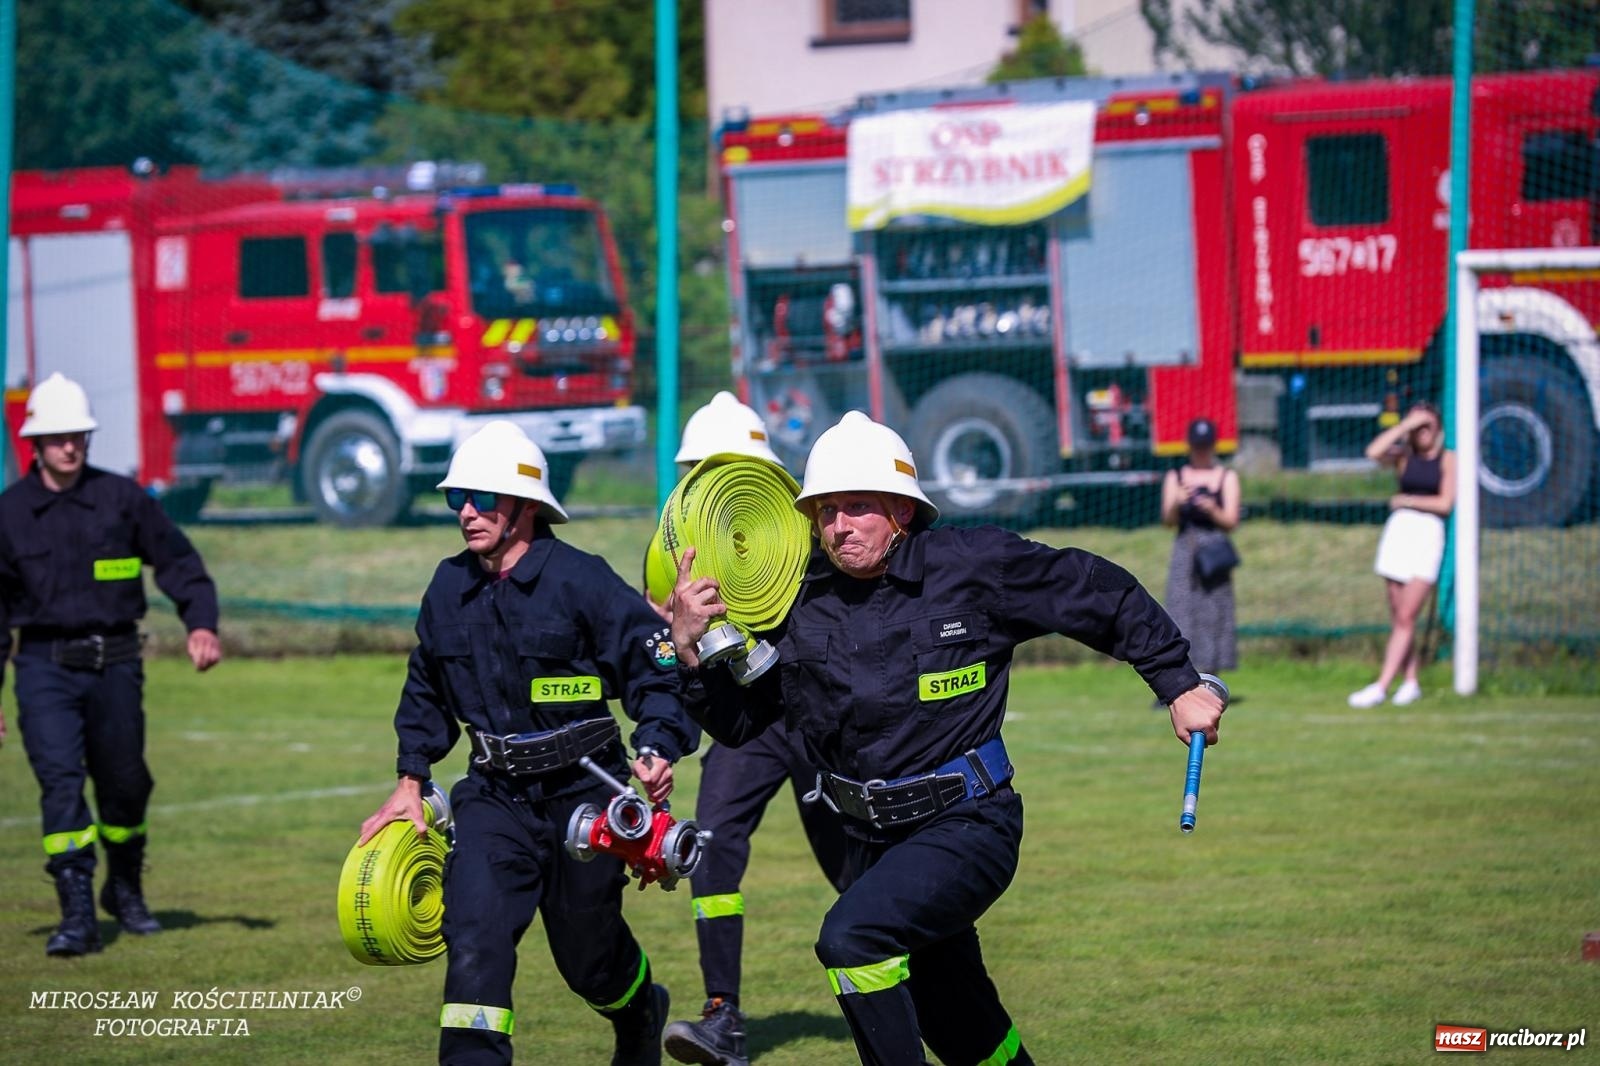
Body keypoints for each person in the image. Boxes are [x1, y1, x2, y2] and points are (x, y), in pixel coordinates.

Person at [670, 411, 1225, 1066]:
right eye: (825, 511)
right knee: (963, 1026)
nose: (839, 526)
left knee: (852, 941)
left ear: (902, 509)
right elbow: (741, 723)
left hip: (969, 825)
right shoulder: (799, 602)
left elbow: (1097, 590)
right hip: (870, 844)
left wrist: (1178, 681)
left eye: (857, 506)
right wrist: (690, 653)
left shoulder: (973, 565)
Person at [357, 419, 699, 1066]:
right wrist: (410, 778)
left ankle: (639, 1013)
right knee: (475, 936)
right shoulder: (447, 588)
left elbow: (656, 670)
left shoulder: (582, 581)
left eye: (483, 498)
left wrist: (657, 747)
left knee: (588, 960)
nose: (466, 512)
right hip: (493, 798)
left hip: (586, 796)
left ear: (525, 507)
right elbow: (426, 686)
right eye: (457, 498)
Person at [657, 392, 851, 1066]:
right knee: (710, 843)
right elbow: (665, 655)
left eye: (714, 471)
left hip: (818, 717)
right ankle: (724, 1016)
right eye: (696, 474)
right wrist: (674, 631)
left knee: (851, 861)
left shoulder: (803, 534)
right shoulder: (680, 549)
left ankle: (920, 989)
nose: (705, 487)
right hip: (751, 722)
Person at [0, 372, 222, 958]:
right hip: (44, 668)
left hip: (118, 666)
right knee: (60, 783)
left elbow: (179, 561)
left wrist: (201, 623)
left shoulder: (122, 500)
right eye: (57, 437)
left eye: (77, 435)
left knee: (125, 784)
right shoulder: (10, 514)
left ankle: (123, 888)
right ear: (35, 443)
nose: (69, 446)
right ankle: (75, 913)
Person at [1349, 402, 1456, 708]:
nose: (1422, 432)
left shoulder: (1448, 459)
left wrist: (1408, 501)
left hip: (1427, 535)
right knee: (1399, 616)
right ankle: (1410, 682)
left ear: (1438, 429)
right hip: (1399, 534)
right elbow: (1373, 452)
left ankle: (1382, 686)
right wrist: (1405, 426)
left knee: (1407, 616)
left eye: (1427, 426)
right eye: (1417, 427)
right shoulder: (1405, 457)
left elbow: (1445, 503)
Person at [1160, 417, 1240, 679]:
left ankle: (1210, 678)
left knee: (1213, 612)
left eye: (1205, 446)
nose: (1201, 451)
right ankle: (1178, 677)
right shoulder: (1176, 476)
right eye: (1197, 446)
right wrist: (1177, 502)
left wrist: (1212, 509)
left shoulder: (1227, 476)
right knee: (1180, 609)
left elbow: (1231, 521)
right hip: (1186, 547)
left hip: (1213, 550)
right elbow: (1167, 521)